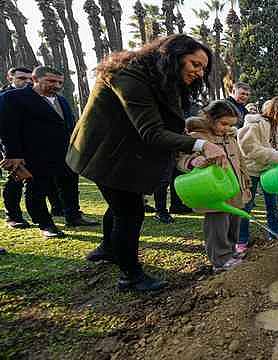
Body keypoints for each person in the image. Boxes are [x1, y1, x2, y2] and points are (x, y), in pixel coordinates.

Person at [67, 35, 226, 292]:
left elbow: (169, 123)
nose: (199, 72)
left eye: (203, 68)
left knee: (119, 207)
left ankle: (107, 248)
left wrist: (188, 148)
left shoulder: (161, 79)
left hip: (123, 154)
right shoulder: (128, 75)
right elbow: (152, 132)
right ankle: (130, 276)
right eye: (195, 64)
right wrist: (201, 145)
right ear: (173, 56)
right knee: (129, 212)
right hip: (104, 154)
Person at [0, 66, 98, 238]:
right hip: (33, 155)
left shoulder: (62, 101)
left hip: (65, 154)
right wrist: (13, 154)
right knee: (37, 190)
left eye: (60, 82)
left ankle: (73, 216)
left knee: (70, 186)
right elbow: (8, 128)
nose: (57, 85)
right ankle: (45, 224)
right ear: (35, 79)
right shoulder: (13, 98)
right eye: (51, 81)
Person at [177, 101, 251, 271]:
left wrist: (245, 183)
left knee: (234, 222)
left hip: (234, 188)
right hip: (214, 191)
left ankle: (231, 252)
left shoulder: (230, 137)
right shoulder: (198, 137)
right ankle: (220, 259)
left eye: (231, 125)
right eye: (223, 123)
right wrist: (193, 161)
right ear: (210, 118)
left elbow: (240, 162)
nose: (227, 128)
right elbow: (180, 159)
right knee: (218, 225)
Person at [237, 96, 278, 255]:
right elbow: (247, 147)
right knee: (246, 206)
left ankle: (275, 234)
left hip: (272, 172)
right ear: (274, 110)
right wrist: (273, 155)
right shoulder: (256, 123)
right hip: (252, 170)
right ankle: (241, 240)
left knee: (273, 205)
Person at [1, 67, 33, 229]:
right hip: (11, 148)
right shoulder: (3, 98)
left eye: (30, 79)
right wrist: (9, 152)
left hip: (33, 146)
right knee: (15, 181)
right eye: (21, 78)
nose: (27, 82)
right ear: (10, 78)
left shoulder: (36, 96)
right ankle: (12, 216)